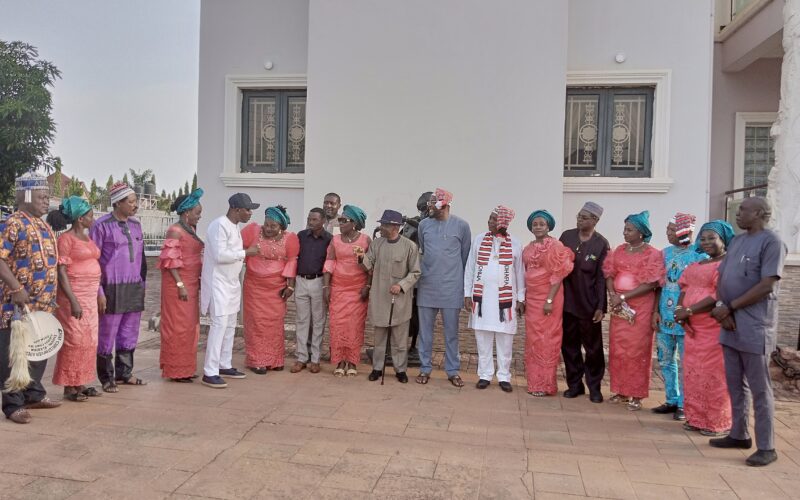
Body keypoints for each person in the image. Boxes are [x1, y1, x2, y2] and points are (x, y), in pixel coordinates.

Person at [709, 197, 786, 467]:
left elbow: (767, 284)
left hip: (754, 324)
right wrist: (721, 306)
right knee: (734, 382)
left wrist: (730, 307)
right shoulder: (738, 241)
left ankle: (767, 446)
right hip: (729, 322)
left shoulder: (772, 242)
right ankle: (738, 433)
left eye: (743, 210)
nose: (737, 213)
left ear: (760, 213)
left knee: (759, 388)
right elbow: (722, 278)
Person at [0, 172, 61, 424]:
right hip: (16, 304)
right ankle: (13, 405)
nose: (46, 202)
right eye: (41, 196)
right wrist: (15, 288)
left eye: (48, 197)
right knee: (15, 354)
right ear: (26, 196)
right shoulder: (13, 223)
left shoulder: (43, 224)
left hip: (42, 303)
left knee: (39, 350)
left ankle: (34, 395)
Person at [674, 220, 735, 437]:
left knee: (714, 374)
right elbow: (684, 287)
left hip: (712, 328)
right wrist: (681, 310)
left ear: (724, 240)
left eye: (712, 237)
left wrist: (689, 311)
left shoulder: (727, 265)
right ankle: (696, 418)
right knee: (694, 373)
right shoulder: (696, 265)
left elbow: (719, 294)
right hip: (693, 330)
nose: (707, 242)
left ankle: (716, 422)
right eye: (703, 238)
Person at [603, 210, 663, 411]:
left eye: (629, 229)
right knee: (618, 349)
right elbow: (610, 273)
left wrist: (623, 297)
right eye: (624, 229)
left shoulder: (652, 254)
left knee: (637, 351)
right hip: (619, 308)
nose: (624, 233)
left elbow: (651, 283)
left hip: (640, 307)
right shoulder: (619, 250)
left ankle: (637, 394)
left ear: (641, 232)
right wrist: (613, 294)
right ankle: (621, 390)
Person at [91, 182, 147, 392]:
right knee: (108, 332)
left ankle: (125, 373)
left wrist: (142, 284)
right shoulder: (101, 226)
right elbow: (93, 260)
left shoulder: (136, 225)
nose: (135, 205)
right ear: (118, 203)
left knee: (129, 331)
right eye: (131, 202)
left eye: (135, 201)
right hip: (111, 287)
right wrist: (99, 291)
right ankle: (106, 377)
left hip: (134, 286)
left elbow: (141, 258)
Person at [200, 193, 260, 388]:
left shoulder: (234, 226)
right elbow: (219, 255)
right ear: (236, 209)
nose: (250, 213)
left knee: (230, 326)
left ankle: (224, 364)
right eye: (247, 209)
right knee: (219, 326)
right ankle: (210, 371)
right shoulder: (219, 225)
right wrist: (245, 253)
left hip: (232, 282)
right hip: (218, 283)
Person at [48, 197, 103, 402]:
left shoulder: (88, 239)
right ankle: (69, 386)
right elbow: (61, 272)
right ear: (80, 219)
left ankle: (81, 381)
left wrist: (99, 294)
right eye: (90, 215)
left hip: (90, 296)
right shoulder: (66, 240)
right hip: (74, 295)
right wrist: (73, 301)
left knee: (89, 340)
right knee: (74, 339)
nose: (93, 218)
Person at [464, 206, 524, 393]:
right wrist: (467, 293)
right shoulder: (479, 239)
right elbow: (470, 268)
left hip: (505, 302)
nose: (489, 222)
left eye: (493, 220)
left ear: (503, 223)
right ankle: (485, 374)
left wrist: (521, 297)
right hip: (482, 298)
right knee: (482, 338)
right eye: (489, 218)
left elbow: (520, 272)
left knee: (505, 340)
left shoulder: (515, 243)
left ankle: (504, 376)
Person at [651, 213, 705, 421]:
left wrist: (691, 312)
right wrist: (655, 311)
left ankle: (685, 404)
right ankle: (671, 399)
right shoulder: (664, 254)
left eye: (672, 230)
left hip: (687, 316)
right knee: (665, 359)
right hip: (665, 315)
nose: (667, 233)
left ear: (686, 231)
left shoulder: (699, 255)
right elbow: (658, 286)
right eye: (667, 229)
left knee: (686, 362)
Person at [416, 188, 471, 387]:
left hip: (452, 287)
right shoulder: (424, 225)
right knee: (425, 333)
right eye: (429, 202)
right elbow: (423, 250)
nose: (429, 206)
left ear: (445, 204)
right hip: (427, 286)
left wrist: (465, 289)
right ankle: (424, 368)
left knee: (451, 332)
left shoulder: (462, 226)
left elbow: (465, 258)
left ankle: (452, 370)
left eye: (433, 203)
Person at [359, 210, 420, 383]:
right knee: (379, 339)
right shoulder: (377, 244)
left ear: (394, 227)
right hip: (379, 298)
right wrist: (360, 257)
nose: (381, 228)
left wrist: (401, 285)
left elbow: (415, 272)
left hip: (399, 300)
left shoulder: (410, 246)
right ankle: (377, 368)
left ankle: (400, 370)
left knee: (399, 341)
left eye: (384, 225)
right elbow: (367, 265)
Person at [559, 201, 609, 403]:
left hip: (589, 305)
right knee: (569, 347)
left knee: (593, 349)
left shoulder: (600, 243)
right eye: (579, 216)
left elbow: (601, 278)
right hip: (567, 302)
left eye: (585, 217)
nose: (580, 219)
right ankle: (574, 385)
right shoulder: (566, 237)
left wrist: (600, 306)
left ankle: (594, 387)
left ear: (595, 220)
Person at [241, 206, 299, 373]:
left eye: (273, 226)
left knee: (274, 324)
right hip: (254, 287)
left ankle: (274, 359)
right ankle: (256, 360)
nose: (268, 228)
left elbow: (292, 261)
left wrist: (290, 285)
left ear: (281, 226)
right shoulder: (252, 231)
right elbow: (236, 249)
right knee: (256, 323)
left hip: (276, 289)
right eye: (266, 224)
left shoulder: (290, 239)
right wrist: (246, 254)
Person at [522, 210, 574, 396]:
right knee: (533, 339)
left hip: (549, 298)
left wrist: (549, 300)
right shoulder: (528, 247)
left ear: (548, 226)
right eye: (534, 224)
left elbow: (559, 274)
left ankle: (546, 384)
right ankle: (534, 383)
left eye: (541, 224)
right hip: (532, 299)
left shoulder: (555, 245)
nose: (538, 227)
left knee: (547, 339)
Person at [158, 189, 204, 382]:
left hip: (191, 284)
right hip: (178, 286)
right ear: (186, 213)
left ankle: (186, 367)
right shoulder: (175, 231)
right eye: (197, 213)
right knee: (177, 327)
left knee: (189, 327)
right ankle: (176, 369)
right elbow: (170, 262)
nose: (199, 217)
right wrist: (180, 285)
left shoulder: (189, 229)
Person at [323, 205, 371, 377]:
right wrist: (326, 286)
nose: (340, 223)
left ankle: (352, 361)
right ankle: (340, 361)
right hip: (338, 289)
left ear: (354, 223)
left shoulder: (365, 240)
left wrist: (367, 286)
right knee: (337, 326)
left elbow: (370, 267)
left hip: (357, 291)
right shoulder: (335, 240)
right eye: (340, 220)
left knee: (354, 327)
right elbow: (330, 262)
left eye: (344, 220)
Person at [291, 208, 332, 374]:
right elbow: (293, 258)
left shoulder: (329, 240)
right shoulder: (301, 236)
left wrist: (327, 287)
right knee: (301, 320)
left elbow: (330, 263)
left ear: (322, 221)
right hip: (301, 281)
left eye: (315, 219)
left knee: (318, 321)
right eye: (309, 219)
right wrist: (291, 283)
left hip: (318, 281)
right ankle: (301, 357)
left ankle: (315, 359)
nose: (311, 222)